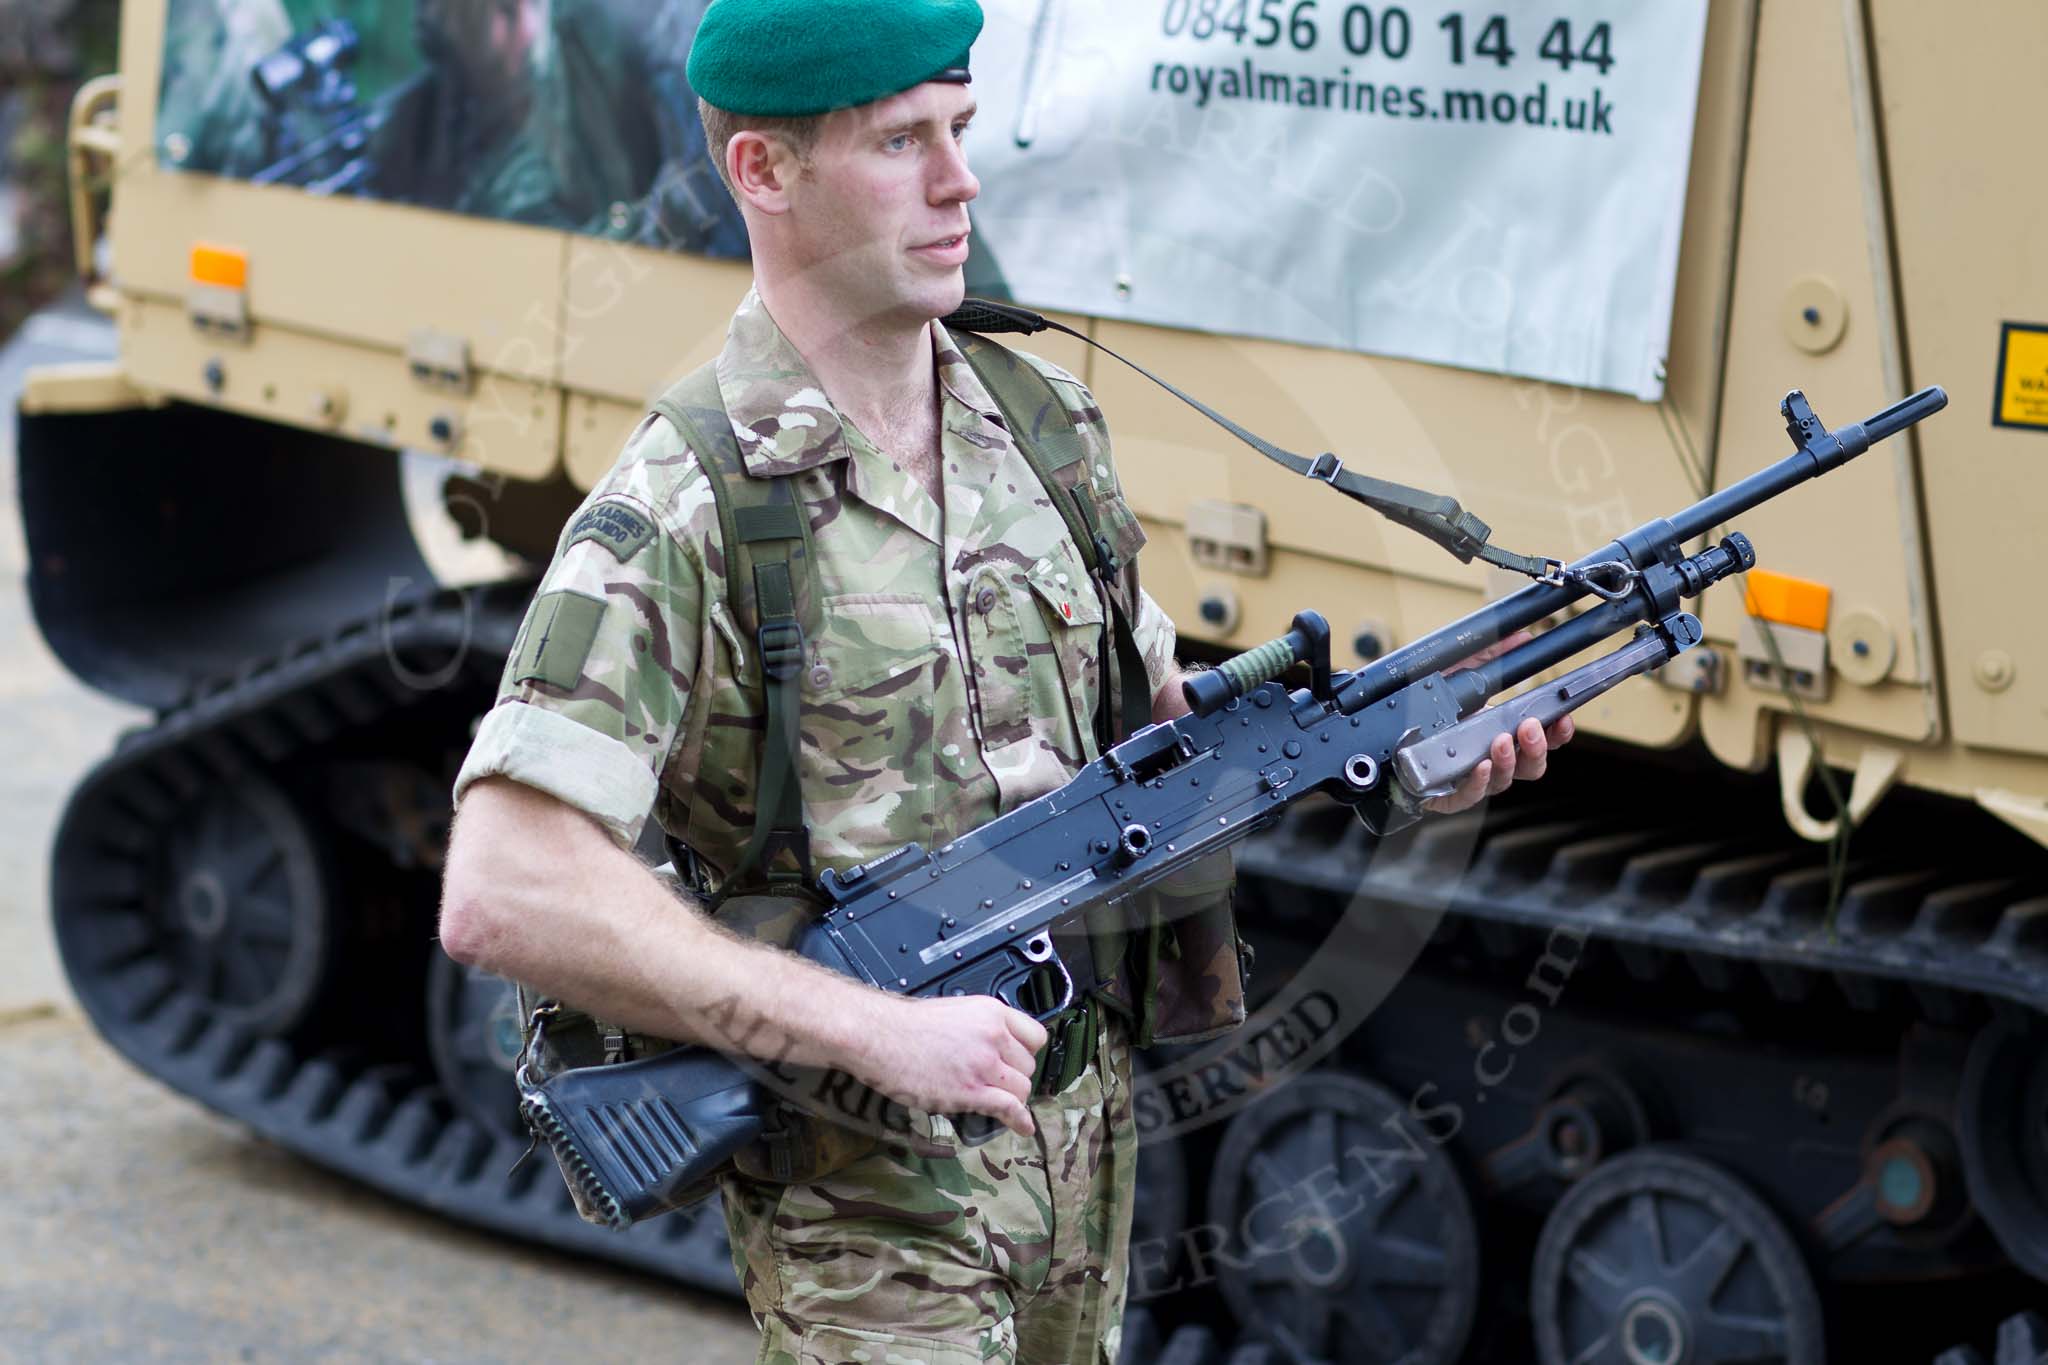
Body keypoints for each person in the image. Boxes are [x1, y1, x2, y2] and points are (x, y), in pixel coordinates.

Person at [436, 1, 1569, 1359]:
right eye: (901, 140)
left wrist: (1399, 747)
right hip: (866, 1198)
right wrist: (867, 1031)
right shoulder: (688, 507)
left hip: (1082, 1146)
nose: (959, 179)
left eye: (962, 130)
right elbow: (505, 886)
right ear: (764, 173)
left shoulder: (1042, 427)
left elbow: (1151, 741)